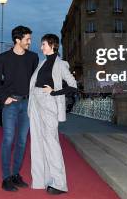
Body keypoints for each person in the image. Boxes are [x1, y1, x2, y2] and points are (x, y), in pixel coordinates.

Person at [28, 34, 77, 194]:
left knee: (51, 142)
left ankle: (59, 183)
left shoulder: (61, 64)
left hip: (48, 102)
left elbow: (73, 86)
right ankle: (41, 180)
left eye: (43, 44)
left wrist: (55, 92)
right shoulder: (42, 63)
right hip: (35, 102)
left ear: (52, 45)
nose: (41, 47)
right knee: (37, 142)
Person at [0, 25, 39, 192]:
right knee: (8, 139)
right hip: (11, 104)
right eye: (27, 39)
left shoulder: (33, 57)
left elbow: (35, 82)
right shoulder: (4, 58)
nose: (30, 42)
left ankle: (16, 174)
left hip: (27, 104)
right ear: (18, 40)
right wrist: (4, 98)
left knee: (22, 141)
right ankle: (6, 178)